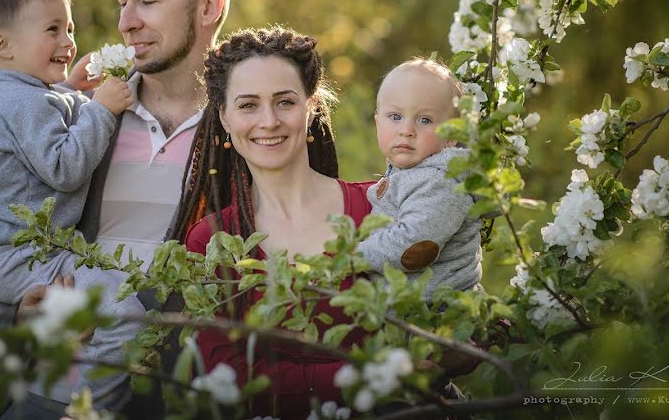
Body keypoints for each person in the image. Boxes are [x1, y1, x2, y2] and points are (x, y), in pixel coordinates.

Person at [0, 0, 232, 418]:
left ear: (208, 6)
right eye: (122, 1)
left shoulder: (244, 130)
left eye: (147, 0)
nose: (126, 21)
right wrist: (17, 309)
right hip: (30, 391)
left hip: (157, 398)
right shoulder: (88, 112)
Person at [0, 0, 144, 408]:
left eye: (70, 28)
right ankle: (80, 408)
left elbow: (42, 124)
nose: (68, 40)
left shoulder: (16, 92)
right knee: (125, 313)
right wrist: (100, 110)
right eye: (53, 29)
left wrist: (71, 90)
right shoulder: (20, 102)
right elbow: (63, 166)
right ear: (3, 46)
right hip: (18, 254)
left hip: (16, 248)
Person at [180, 27, 375, 419]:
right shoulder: (212, 240)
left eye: (285, 102)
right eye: (248, 105)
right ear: (225, 117)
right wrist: (363, 375)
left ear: (312, 106)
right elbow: (230, 379)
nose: (268, 121)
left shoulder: (377, 208)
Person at [356, 58, 482, 300]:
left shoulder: (441, 182)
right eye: (395, 116)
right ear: (377, 121)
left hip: (436, 314)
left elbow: (411, 246)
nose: (407, 130)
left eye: (424, 120)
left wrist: (354, 255)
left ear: (452, 135)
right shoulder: (410, 171)